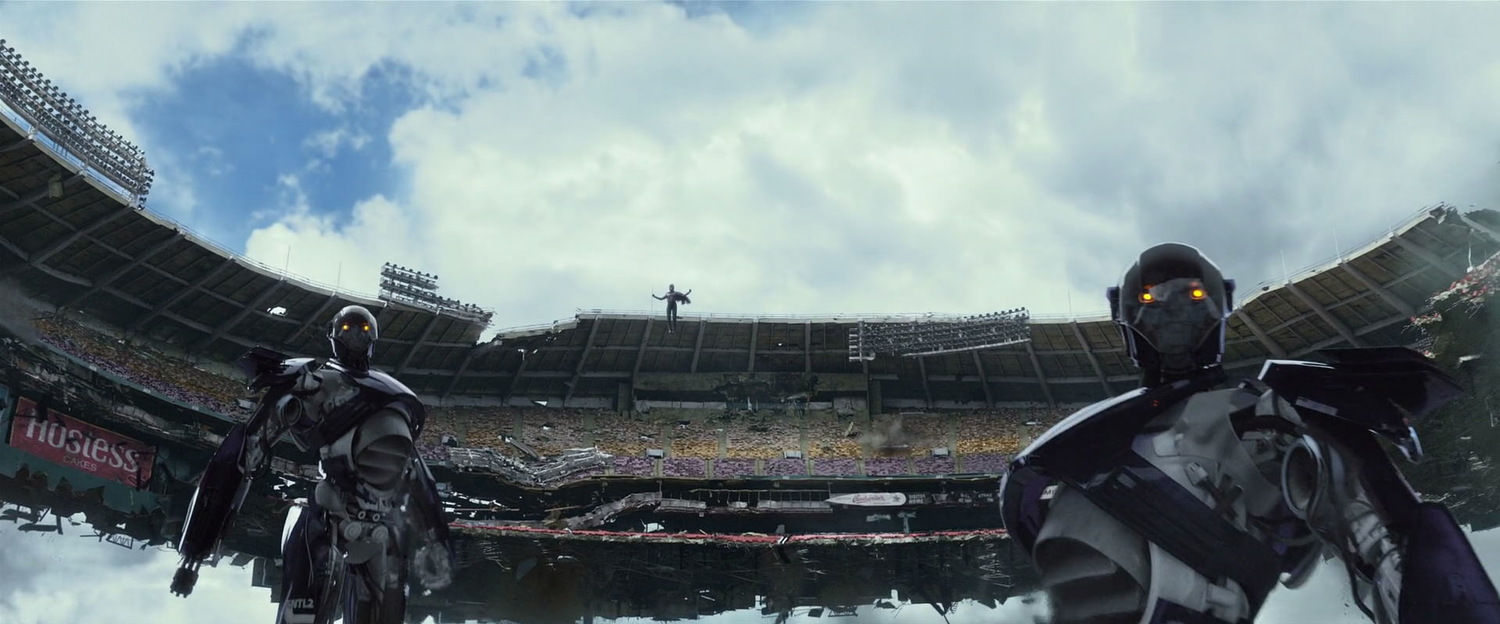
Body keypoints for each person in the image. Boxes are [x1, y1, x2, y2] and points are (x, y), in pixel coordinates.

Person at [1000, 243, 1499, 623]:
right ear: (1128, 312)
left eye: (1193, 297)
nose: (1174, 313)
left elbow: (1374, 531)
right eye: (1155, 299)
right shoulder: (1084, 444)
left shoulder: (1273, 405)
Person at [171, 305, 452, 624]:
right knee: (306, 611)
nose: (355, 337)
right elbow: (243, 453)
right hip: (328, 519)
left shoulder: (396, 399)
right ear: (334, 336)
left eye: (362, 331)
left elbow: (414, 474)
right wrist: (194, 553)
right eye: (348, 330)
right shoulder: (311, 382)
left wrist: (436, 539)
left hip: (380, 528)